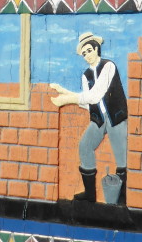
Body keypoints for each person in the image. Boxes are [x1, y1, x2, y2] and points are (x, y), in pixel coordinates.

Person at [50, 32, 127, 204]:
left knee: (121, 155)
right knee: (85, 146)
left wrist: (67, 98)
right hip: (98, 118)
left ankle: (122, 199)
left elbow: (95, 95)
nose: (87, 56)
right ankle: (90, 194)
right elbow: (87, 101)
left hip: (115, 116)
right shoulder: (86, 75)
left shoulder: (109, 66)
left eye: (89, 50)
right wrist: (64, 91)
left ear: (97, 49)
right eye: (84, 53)